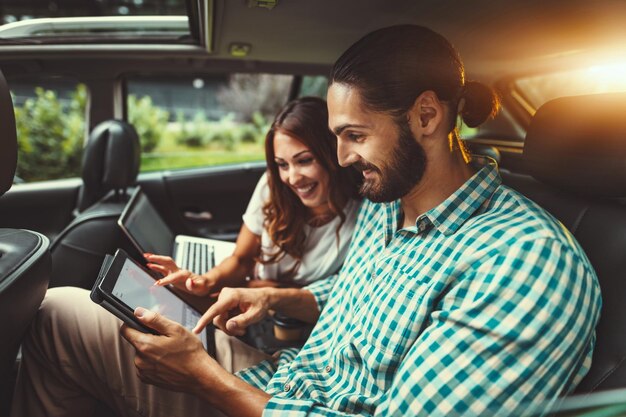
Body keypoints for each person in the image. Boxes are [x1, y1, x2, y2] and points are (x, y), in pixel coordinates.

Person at [11, 25, 601, 417]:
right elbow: (361, 295)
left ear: (426, 115)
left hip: (270, 400)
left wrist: (205, 380)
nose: (341, 158)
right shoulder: (389, 201)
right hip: (282, 377)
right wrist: (272, 300)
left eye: (354, 136)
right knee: (62, 311)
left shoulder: (524, 262)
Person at [145, 96, 360, 313]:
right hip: (251, 299)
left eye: (304, 160)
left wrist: (269, 290)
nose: (293, 178)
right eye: (282, 164)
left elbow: (338, 295)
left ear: (333, 153)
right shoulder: (273, 185)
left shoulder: (363, 214)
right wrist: (205, 282)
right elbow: (241, 260)